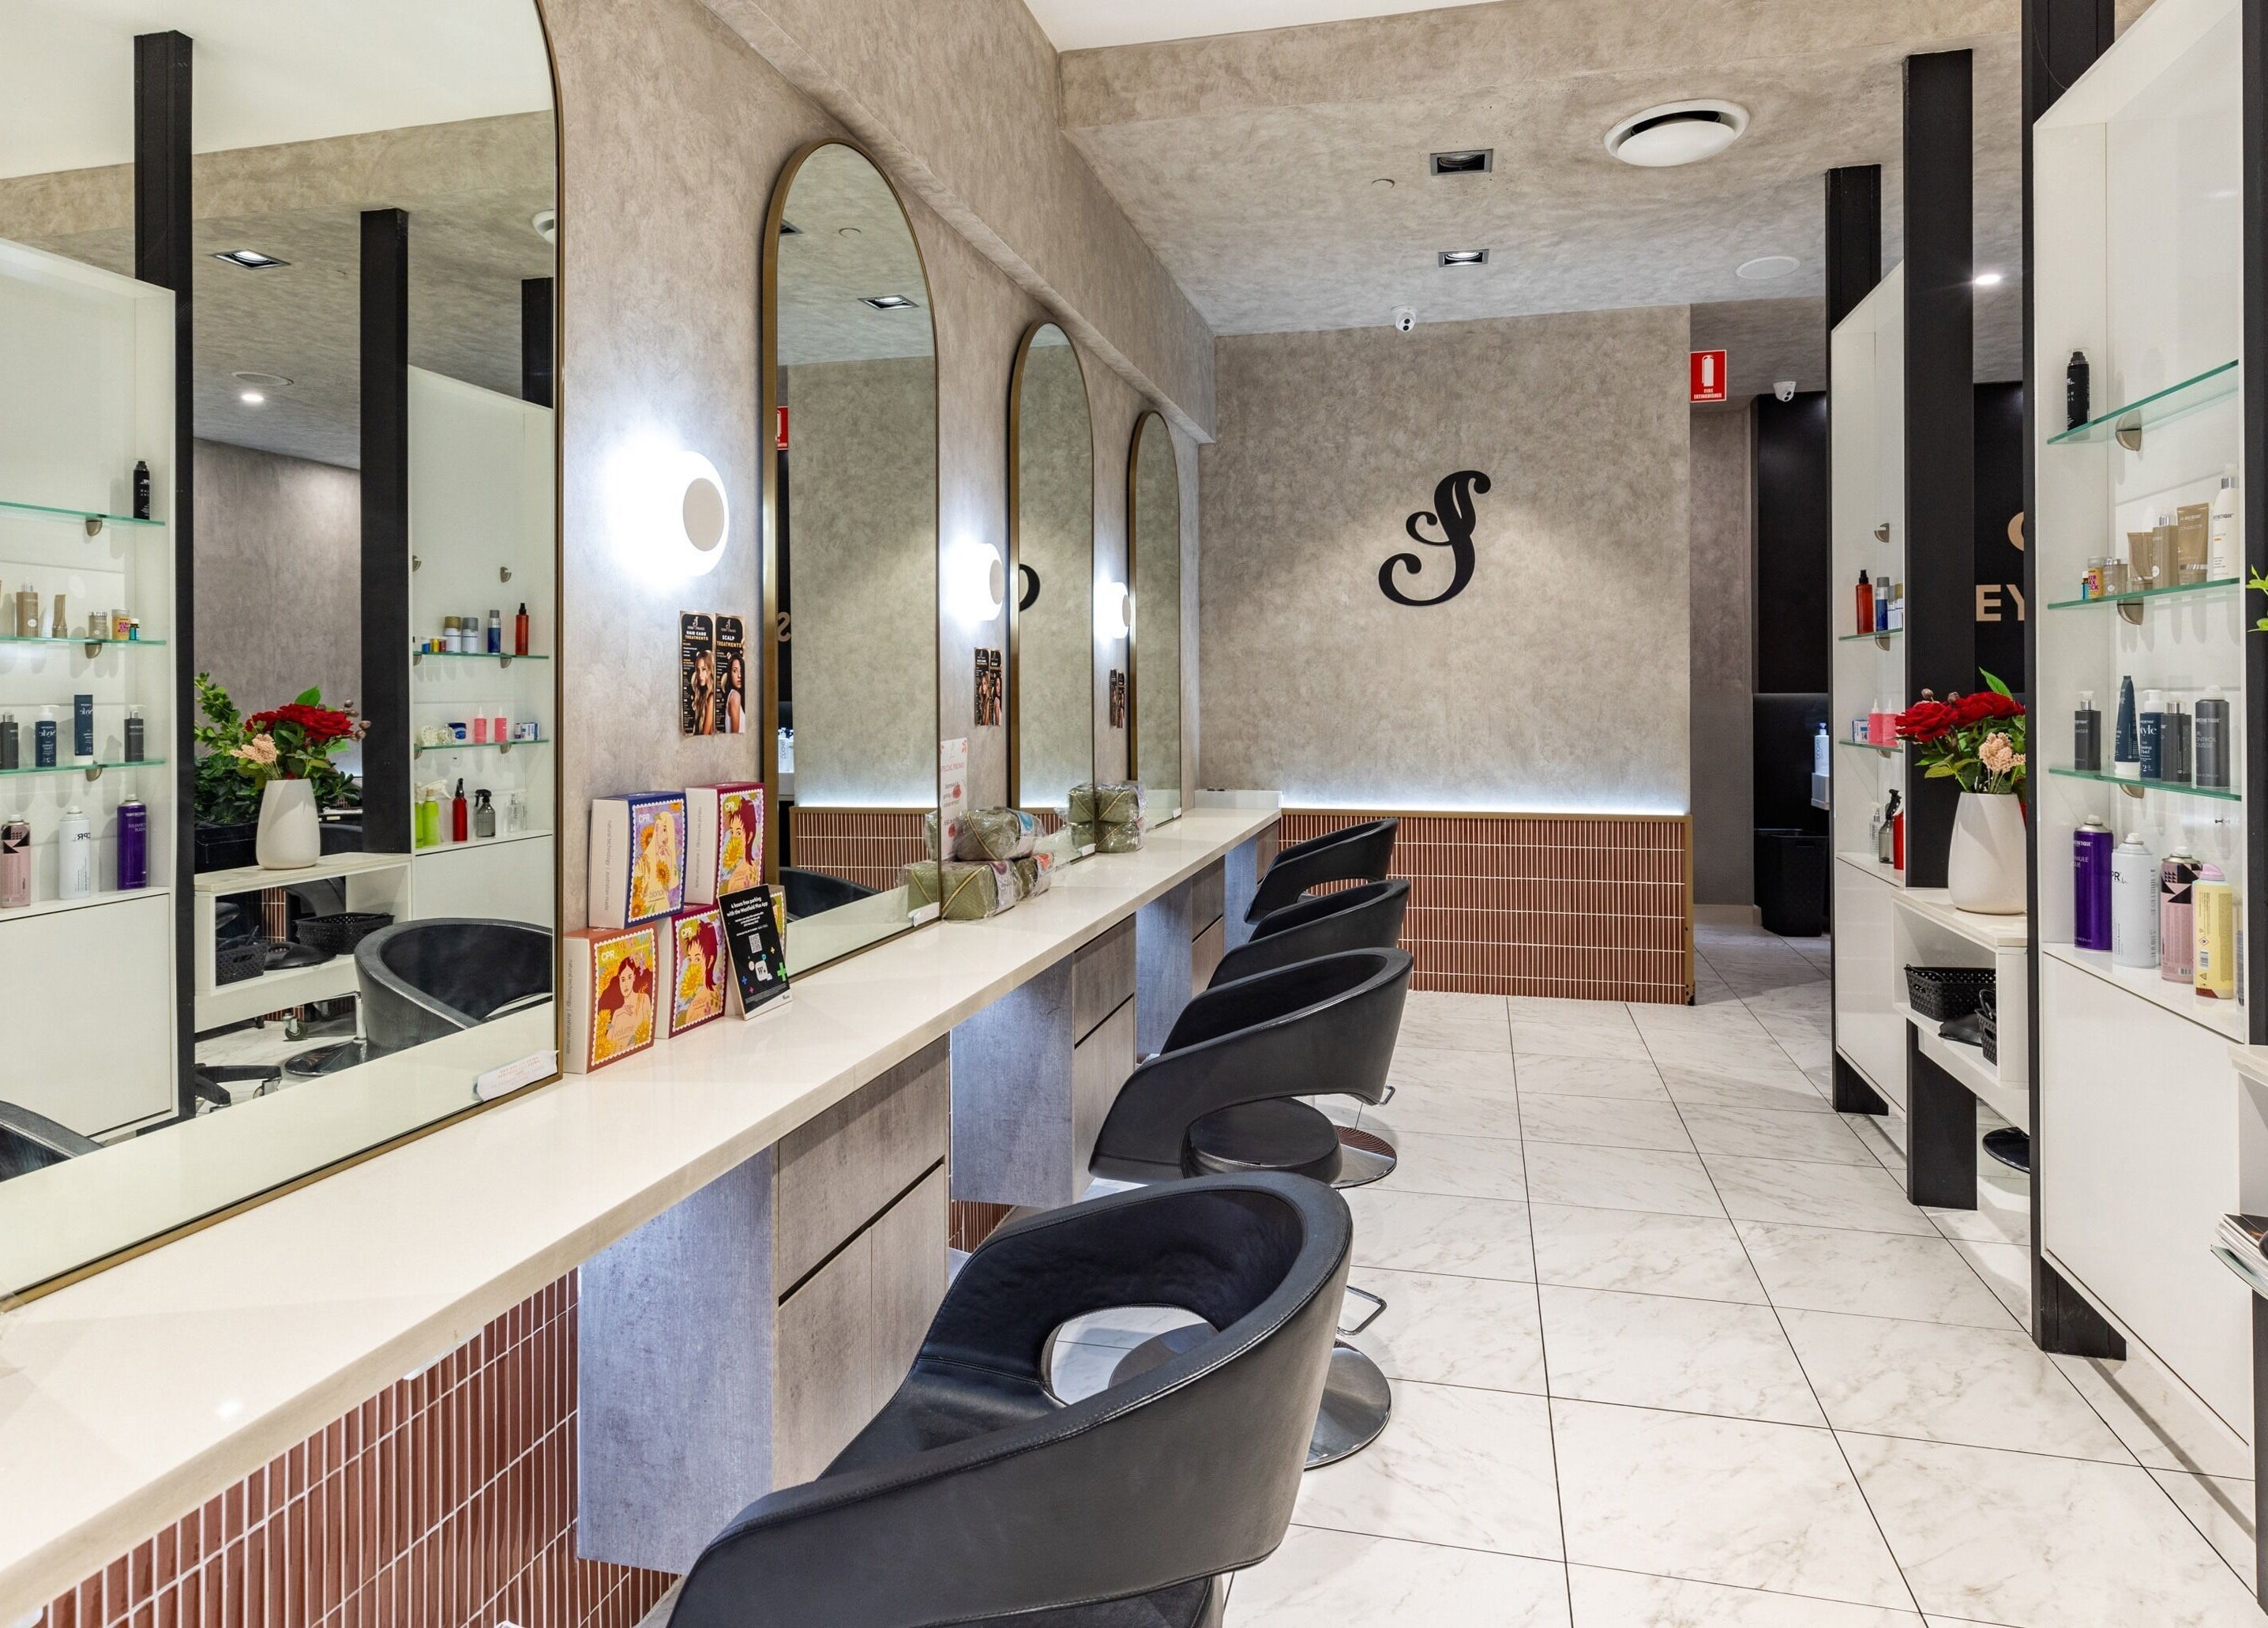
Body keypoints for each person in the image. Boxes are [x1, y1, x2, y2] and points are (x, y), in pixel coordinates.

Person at [595, 954, 653, 1058]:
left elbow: (648, 1029)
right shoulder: (617, 1011)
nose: (626, 984)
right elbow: (606, 1040)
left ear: (634, 977)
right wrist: (616, 1015)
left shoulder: (644, 1000)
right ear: (619, 980)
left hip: (643, 1056)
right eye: (623, 979)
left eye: (629, 977)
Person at [687, 649, 716, 735]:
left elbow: (704, 736)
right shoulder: (703, 696)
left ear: (710, 670)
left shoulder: (712, 698)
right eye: (698, 670)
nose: (700, 675)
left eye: (704, 669)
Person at [723, 649, 747, 734]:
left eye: (741, 671)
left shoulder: (733, 695)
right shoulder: (735, 696)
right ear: (730, 673)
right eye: (735, 671)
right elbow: (735, 737)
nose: (739, 675)